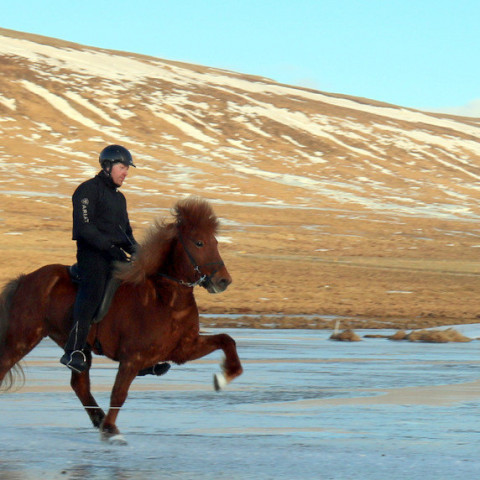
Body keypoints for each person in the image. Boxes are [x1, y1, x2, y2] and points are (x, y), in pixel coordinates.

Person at [60, 145, 170, 378]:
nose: (126, 173)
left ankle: (142, 359)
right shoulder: (87, 190)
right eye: (122, 167)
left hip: (115, 256)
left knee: (143, 291)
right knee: (93, 289)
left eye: (127, 168)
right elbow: (84, 228)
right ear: (108, 166)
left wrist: (140, 254)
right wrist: (109, 248)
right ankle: (74, 350)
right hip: (92, 256)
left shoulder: (119, 199)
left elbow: (126, 232)